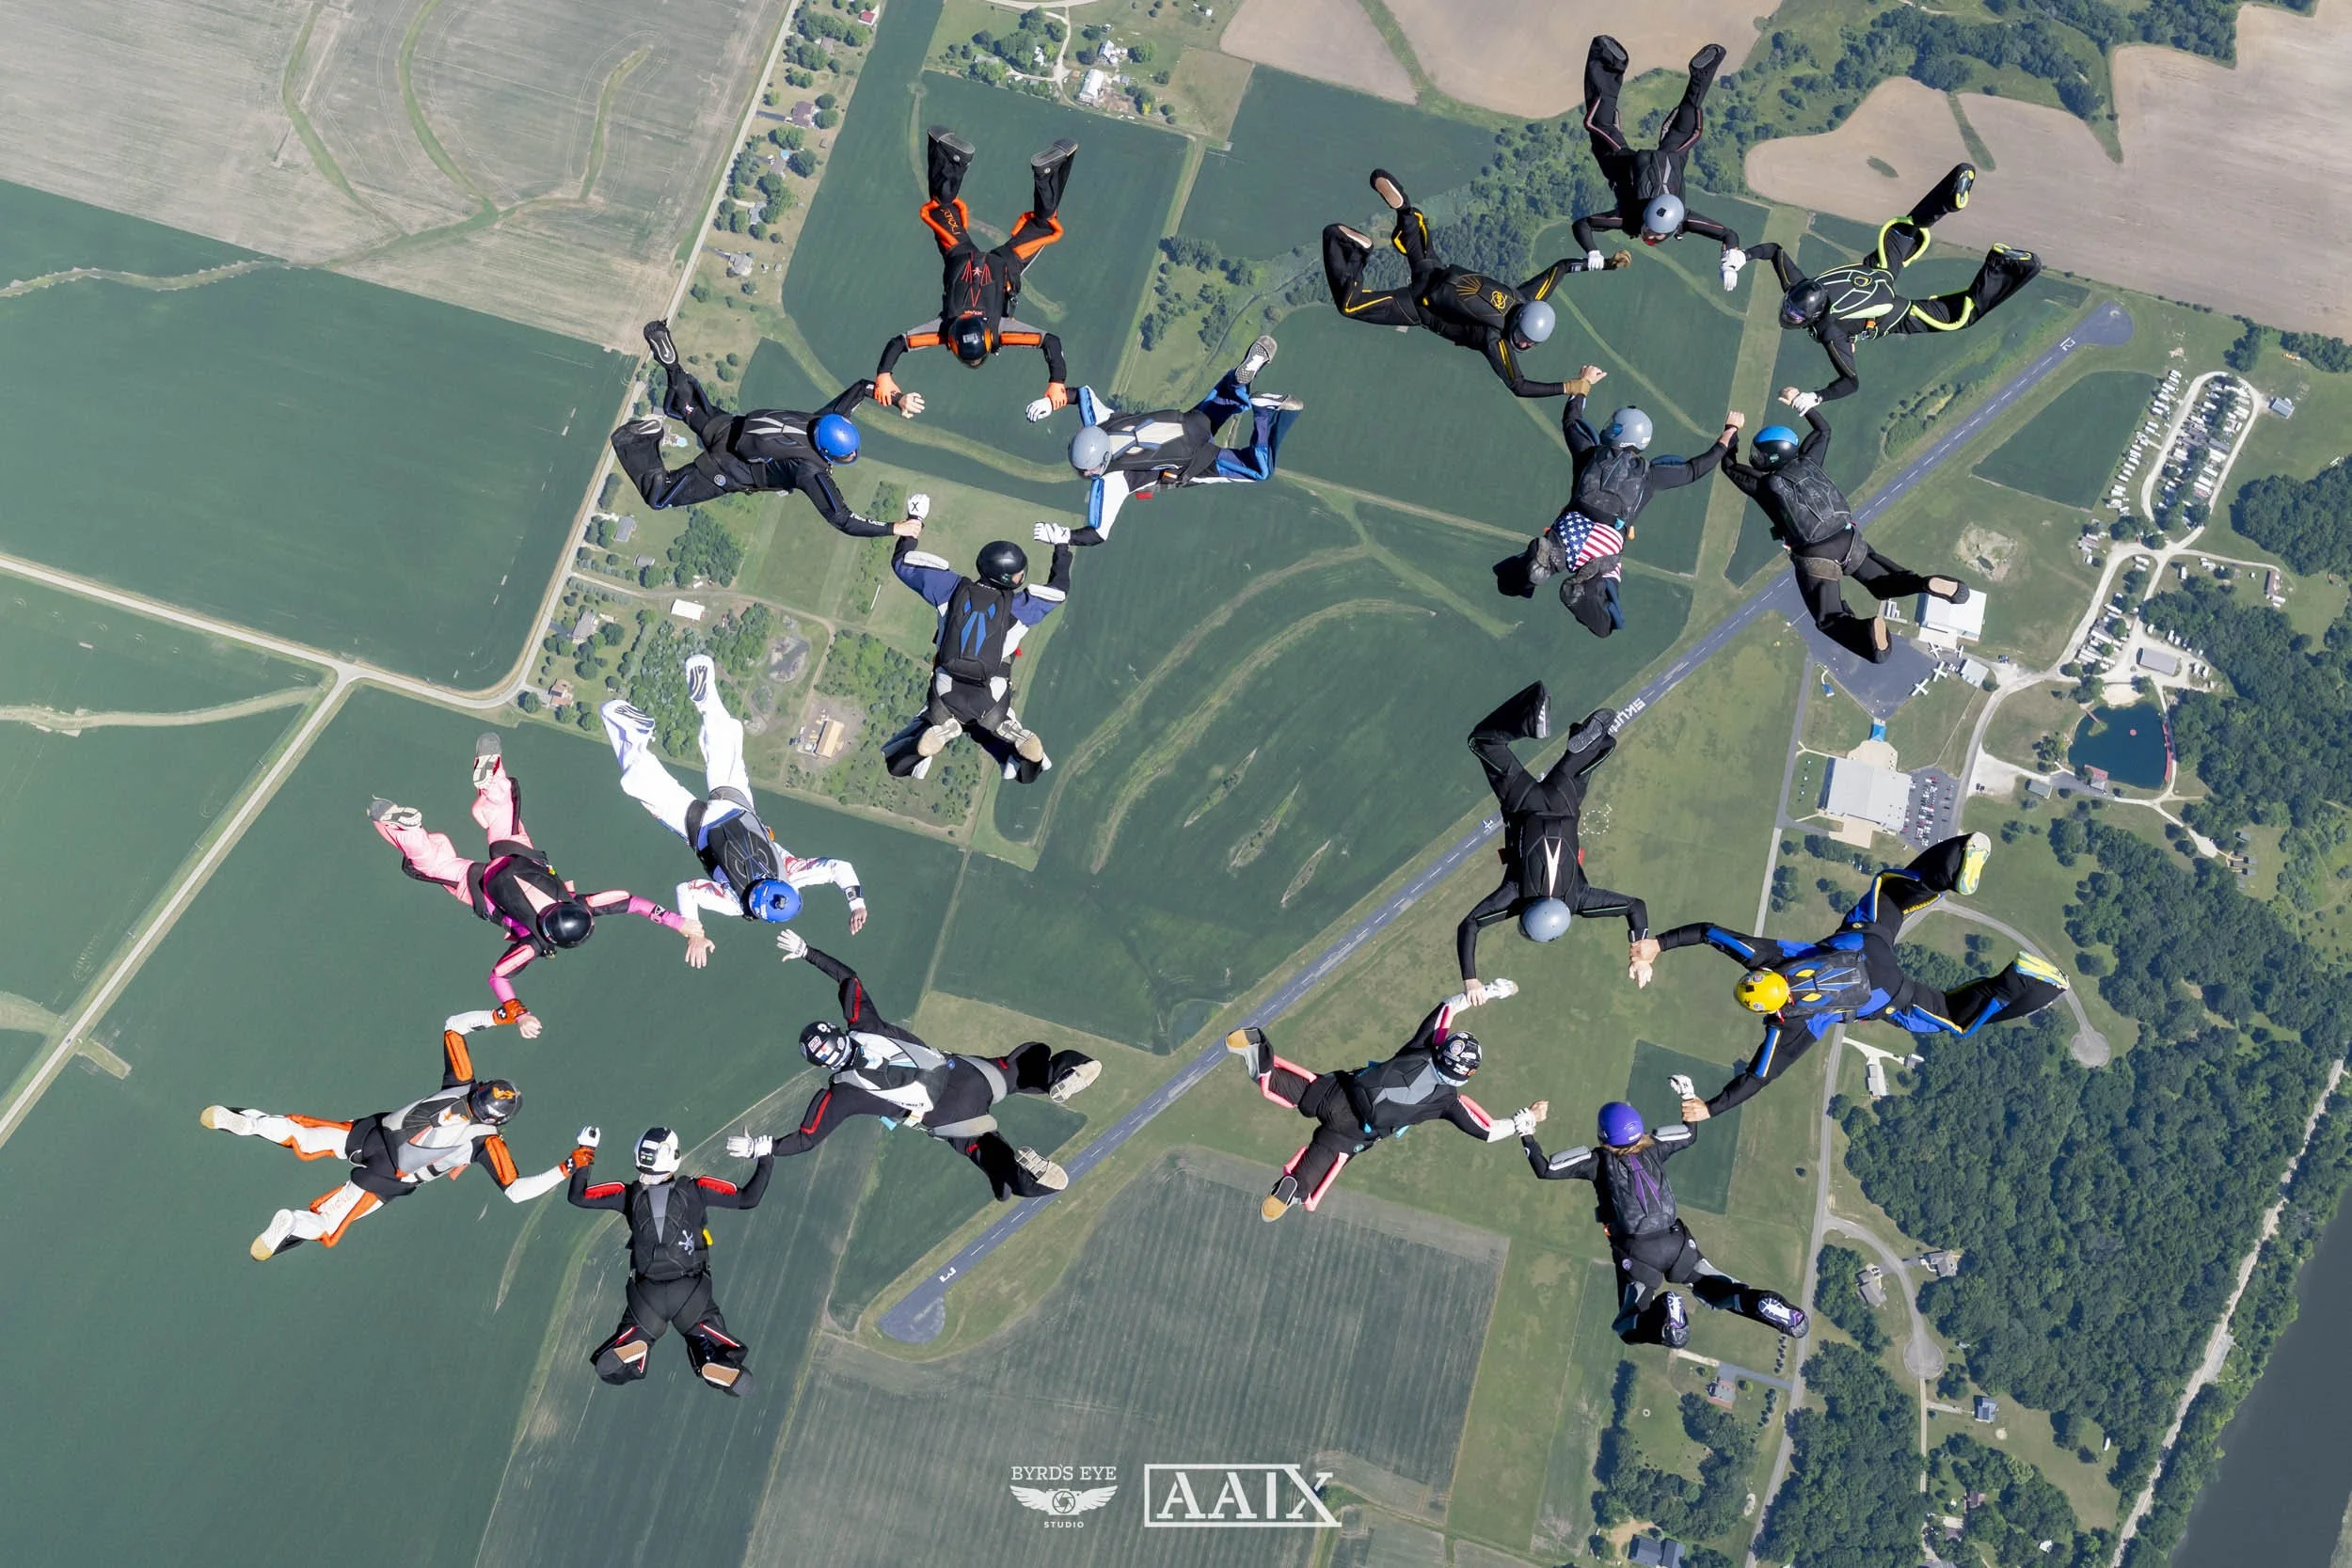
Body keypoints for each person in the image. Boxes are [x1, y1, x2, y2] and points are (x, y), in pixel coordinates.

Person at [1628, 832, 2072, 1117]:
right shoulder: (1768, 960)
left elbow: (1758, 1076)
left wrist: (1710, 1107)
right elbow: (1709, 933)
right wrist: (1657, 946)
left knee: (1956, 1018)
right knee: (1898, 888)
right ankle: (1955, 863)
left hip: (1891, 993)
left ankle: (2020, 979)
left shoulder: (1794, 1024)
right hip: (1864, 940)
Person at [368, 734, 704, 1036]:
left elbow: (630, 902)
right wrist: (519, 1014)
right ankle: (405, 829)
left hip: (518, 857)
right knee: (431, 864)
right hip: (482, 889)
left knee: (503, 809)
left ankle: (491, 779)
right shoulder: (535, 943)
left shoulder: (583, 905)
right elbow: (499, 976)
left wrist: (682, 924)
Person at [199, 1007, 587, 1259]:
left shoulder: (460, 1083)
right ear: (500, 1120)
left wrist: (504, 1014)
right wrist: (568, 1166)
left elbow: (454, 1026)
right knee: (328, 1224)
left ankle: (252, 1123)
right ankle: (293, 1222)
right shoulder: (487, 1142)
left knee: (301, 1131)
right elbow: (516, 1192)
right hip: (389, 1177)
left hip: (372, 1132)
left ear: (482, 1090)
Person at [766, 931, 1096, 1199]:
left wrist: (762, 1148)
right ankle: (1062, 1074)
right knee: (1022, 1069)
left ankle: (1026, 1175)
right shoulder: (865, 1027)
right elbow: (848, 980)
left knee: (993, 1158)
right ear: (837, 1033)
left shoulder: (843, 1093)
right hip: (968, 1076)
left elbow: (806, 1138)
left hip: (949, 1118)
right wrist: (807, 951)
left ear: (820, 1063)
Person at [601, 655, 868, 947]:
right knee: (637, 779)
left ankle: (707, 699)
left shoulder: (791, 874)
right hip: (697, 828)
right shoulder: (735, 903)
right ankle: (629, 730)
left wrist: (856, 903)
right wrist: (693, 931)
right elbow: (686, 890)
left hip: (737, 807)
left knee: (724, 743)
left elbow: (838, 868)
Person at [1228, 985, 1545, 1221]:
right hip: (1353, 1133)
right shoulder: (1448, 1101)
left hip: (1338, 1092)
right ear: (1468, 1074)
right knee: (1313, 1173)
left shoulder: (1423, 1047)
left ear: (1445, 1048)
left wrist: (1489, 990)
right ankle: (1292, 1190)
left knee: (1280, 1082)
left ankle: (1259, 1050)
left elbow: (1449, 1007)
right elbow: (1487, 1130)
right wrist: (1526, 1119)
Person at [1743, 164, 2042, 405]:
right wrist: (1743, 256)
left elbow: (1850, 382)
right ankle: (1950, 195)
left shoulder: (1830, 333)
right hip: (1876, 273)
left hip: (1892, 313)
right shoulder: (1803, 285)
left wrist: (1817, 397)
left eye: (1795, 314)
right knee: (1910, 226)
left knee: (1961, 317)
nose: (1790, 314)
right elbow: (1774, 250)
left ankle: (2004, 263)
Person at [1523, 1101, 1807, 1346]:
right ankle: (1759, 1304)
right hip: (1677, 1242)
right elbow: (1689, 1133)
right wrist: (1686, 1096)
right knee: (1718, 1289)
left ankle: (1669, 1318)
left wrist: (1527, 1132)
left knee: (1628, 1325)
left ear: (1603, 1134)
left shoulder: (1598, 1161)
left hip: (1639, 1252)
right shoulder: (1655, 1147)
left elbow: (1545, 1168)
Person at [1323, 168, 1612, 398]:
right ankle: (1355, 249)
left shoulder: (1526, 298)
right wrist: (1573, 386)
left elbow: (1561, 268)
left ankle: (1408, 213)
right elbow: (1519, 386)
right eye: (1525, 339)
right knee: (1350, 306)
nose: (1522, 343)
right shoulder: (1494, 340)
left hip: (1436, 272)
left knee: (1419, 244)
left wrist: (1601, 262)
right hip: (1418, 306)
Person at [611, 320, 920, 534]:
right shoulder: (810, 471)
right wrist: (895, 528)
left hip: (730, 428)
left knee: (685, 406)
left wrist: (899, 399)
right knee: (660, 496)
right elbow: (843, 519)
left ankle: (673, 367)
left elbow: (864, 388)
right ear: (830, 453)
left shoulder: (825, 419)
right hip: (727, 469)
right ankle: (639, 438)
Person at [1499, 365, 1742, 634]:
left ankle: (1539, 562)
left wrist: (1584, 385)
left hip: (1571, 527)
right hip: (1606, 544)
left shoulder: (1590, 452)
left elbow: (1571, 421)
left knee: (1509, 581)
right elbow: (1694, 469)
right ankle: (1582, 590)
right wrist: (1729, 433)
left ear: (1617, 431)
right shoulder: (1651, 475)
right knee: (1606, 624)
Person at [1718, 403, 1970, 662]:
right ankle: (1924, 584)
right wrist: (1799, 403)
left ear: (1770, 456)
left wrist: (1732, 430)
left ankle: (1874, 645)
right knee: (1882, 583)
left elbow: (1727, 465)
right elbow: (1823, 430)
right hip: (1848, 539)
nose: (1755, 456)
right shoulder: (1810, 461)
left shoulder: (1765, 484)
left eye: (1759, 452)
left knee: (1829, 619)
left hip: (1815, 554)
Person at [870, 127, 1078, 419]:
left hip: (1004, 264)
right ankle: (952, 157)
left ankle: (1046, 175)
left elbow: (1051, 342)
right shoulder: (943, 330)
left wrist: (1057, 383)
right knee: (942, 209)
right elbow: (899, 343)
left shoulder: (1000, 332)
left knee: (1044, 225)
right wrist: (884, 375)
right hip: (961, 257)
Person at [1457, 682, 1651, 992]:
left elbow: (1635, 907)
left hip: (1565, 802)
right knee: (1482, 741)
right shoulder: (1515, 894)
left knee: (1598, 748)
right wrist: (1471, 979)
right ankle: (1534, 721)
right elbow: (1470, 925)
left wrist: (1641, 955)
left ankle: (1589, 744)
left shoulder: (1579, 900)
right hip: (1524, 804)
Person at [1040, 336, 1304, 546]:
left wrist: (1063, 536)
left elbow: (1098, 533)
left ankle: (1264, 412)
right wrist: (1051, 401)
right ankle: (1237, 383)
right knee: (1223, 400)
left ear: (1097, 466)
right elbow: (1081, 395)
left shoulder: (1112, 481)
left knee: (1259, 470)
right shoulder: (1102, 421)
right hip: (1189, 423)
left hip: (1195, 462)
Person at [566, 1127, 771, 1397]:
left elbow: (578, 1196)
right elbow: (749, 1198)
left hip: (646, 1294)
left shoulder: (626, 1194)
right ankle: (711, 1360)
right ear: (674, 1156)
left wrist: (586, 1150)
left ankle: (638, 1345)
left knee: (612, 1366)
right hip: (691, 1291)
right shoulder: (697, 1189)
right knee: (715, 1347)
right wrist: (765, 1157)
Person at [882, 531, 1072, 784]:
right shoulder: (1018, 608)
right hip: (991, 698)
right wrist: (1061, 550)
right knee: (1021, 771)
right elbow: (1059, 590)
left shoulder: (950, 589)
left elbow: (902, 563)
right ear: (1009, 578)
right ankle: (1028, 755)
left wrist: (913, 526)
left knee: (896, 764)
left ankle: (929, 739)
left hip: (946, 692)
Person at [1574, 38, 1747, 291]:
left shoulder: (1683, 219)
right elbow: (1583, 225)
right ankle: (1609, 62)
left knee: (1685, 123)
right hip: (1628, 166)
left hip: (1670, 158)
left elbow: (1728, 235)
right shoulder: (1630, 219)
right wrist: (1592, 252)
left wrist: (1729, 256)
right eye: (1654, 233)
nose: (1651, 235)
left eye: (1653, 234)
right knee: (1600, 127)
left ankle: (1703, 72)